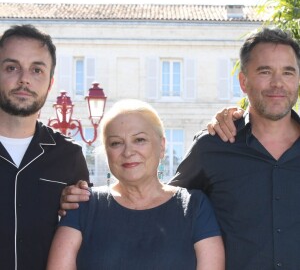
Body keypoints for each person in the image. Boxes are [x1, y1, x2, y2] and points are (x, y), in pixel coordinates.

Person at [170, 27, 300, 270]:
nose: (278, 83)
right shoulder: (212, 147)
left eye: (288, 72)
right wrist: (87, 201)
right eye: (265, 71)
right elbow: (164, 207)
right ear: (243, 81)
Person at [47, 99, 225, 270]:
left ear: (162, 146)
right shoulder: (82, 205)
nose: (128, 152)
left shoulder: (194, 206)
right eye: (116, 143)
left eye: (139, 140)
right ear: (107, 152)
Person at [0, 24, 90, 270]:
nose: (24, 79)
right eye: (11, 67)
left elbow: (83, 238)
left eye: (36, 70)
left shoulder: (70, 156)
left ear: (50, 83)